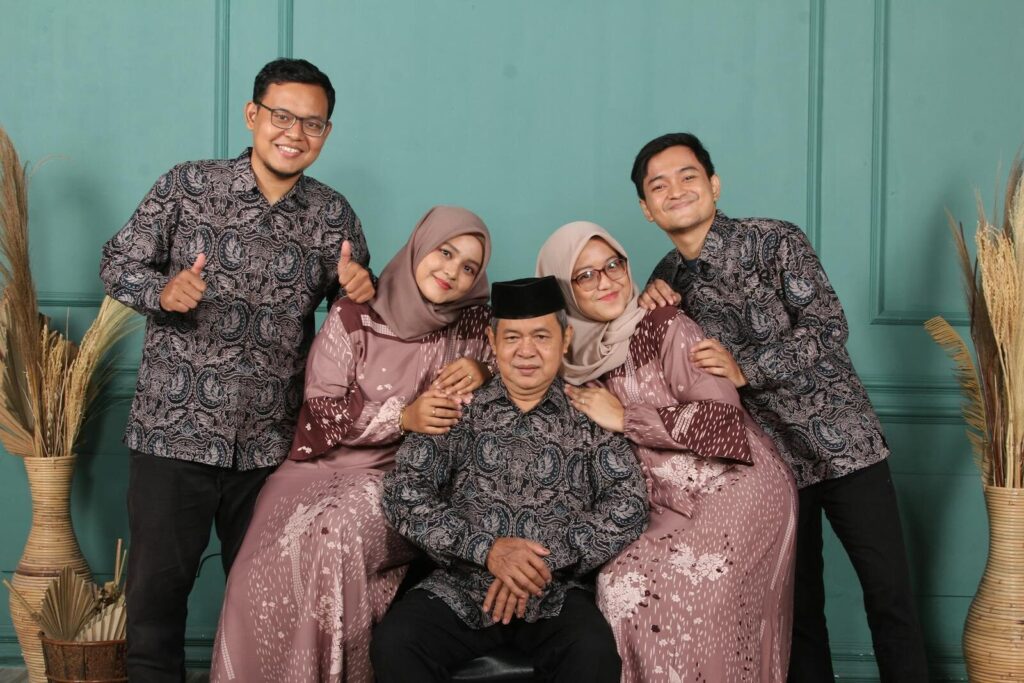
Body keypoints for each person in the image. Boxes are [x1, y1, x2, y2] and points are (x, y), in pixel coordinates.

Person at [99, 58, 375, 682]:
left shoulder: (334, 215)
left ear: (326, 133)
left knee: (268, 604)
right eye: (282, 116)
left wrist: (363, 289)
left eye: (312, 123)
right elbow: (117, 261)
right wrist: (161, 292)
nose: (295, 133)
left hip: (272, 446)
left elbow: (354, 329)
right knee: (155, 603)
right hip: (174, 431)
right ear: (253, 116)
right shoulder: (187, 185)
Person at [632, 132, 928, 682]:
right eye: (659, 185)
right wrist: (644, 307)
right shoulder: (665, 280)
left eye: (688, 175)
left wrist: (747, 367)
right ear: (647, 210)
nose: (676, 190)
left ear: (714, 185)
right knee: (799, 615)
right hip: (771, 470)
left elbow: (828, 325)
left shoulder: (775, 241)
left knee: (889, 595)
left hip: (845, 447)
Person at [209, 206, 495, 682]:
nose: (452, 272)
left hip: (399, 480)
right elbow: (321, 410)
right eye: (445, 253)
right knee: (253, 575)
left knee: (334, 537)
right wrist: (404, 416)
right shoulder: (354, 314)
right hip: (316, 469)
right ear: (420, 247)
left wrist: (486, 369)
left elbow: (529, 364)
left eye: (469, 267)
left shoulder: (473, 327)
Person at [537, 221, 797, 682]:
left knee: (696, 589)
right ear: (563, 289)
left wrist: (626, 417)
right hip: (662, 507)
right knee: (620, 588)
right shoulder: (569, 360)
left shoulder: (666, 325)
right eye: (586, 275)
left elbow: (724, 422)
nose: (608, 280)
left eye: (613, 265)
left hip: (735, 485)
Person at [371, 276, 648, 683]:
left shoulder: (589, 412)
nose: (526, 351)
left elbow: (629, 502)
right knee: (396, 644)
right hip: (461, 586)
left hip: (554, 591)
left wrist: (539, 563)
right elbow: (404, 492)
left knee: (593, 655)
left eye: (541, 335)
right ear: (492, 340)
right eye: (512, 337)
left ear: (565, 338)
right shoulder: (458, 409)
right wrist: (488, 551)